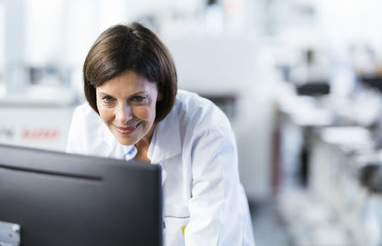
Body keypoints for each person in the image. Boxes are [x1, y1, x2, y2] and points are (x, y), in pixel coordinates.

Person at [66, 22, 255, 246]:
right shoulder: (85, 124)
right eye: (108, 99)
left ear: (161, 91)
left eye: (137, 99)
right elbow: (81, 222)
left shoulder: (206, 129)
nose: (123, 116)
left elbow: (212, 238)